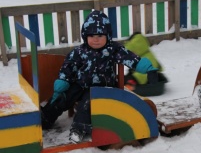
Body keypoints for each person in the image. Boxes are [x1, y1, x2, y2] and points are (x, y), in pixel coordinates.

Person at [41, 10, 158, 143]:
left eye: (100, 35)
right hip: (81, 85)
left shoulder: (113, 50)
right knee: (63, 95)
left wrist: (149, 69)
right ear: (85, 36)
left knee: (87, 104)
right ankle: (46, 117)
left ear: (107, 35)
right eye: (91, 35)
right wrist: (63, 80)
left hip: (103, 88)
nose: (95, 39)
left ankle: (79, 129)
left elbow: (132, 58)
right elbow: (69, 65)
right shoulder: (79, 51)